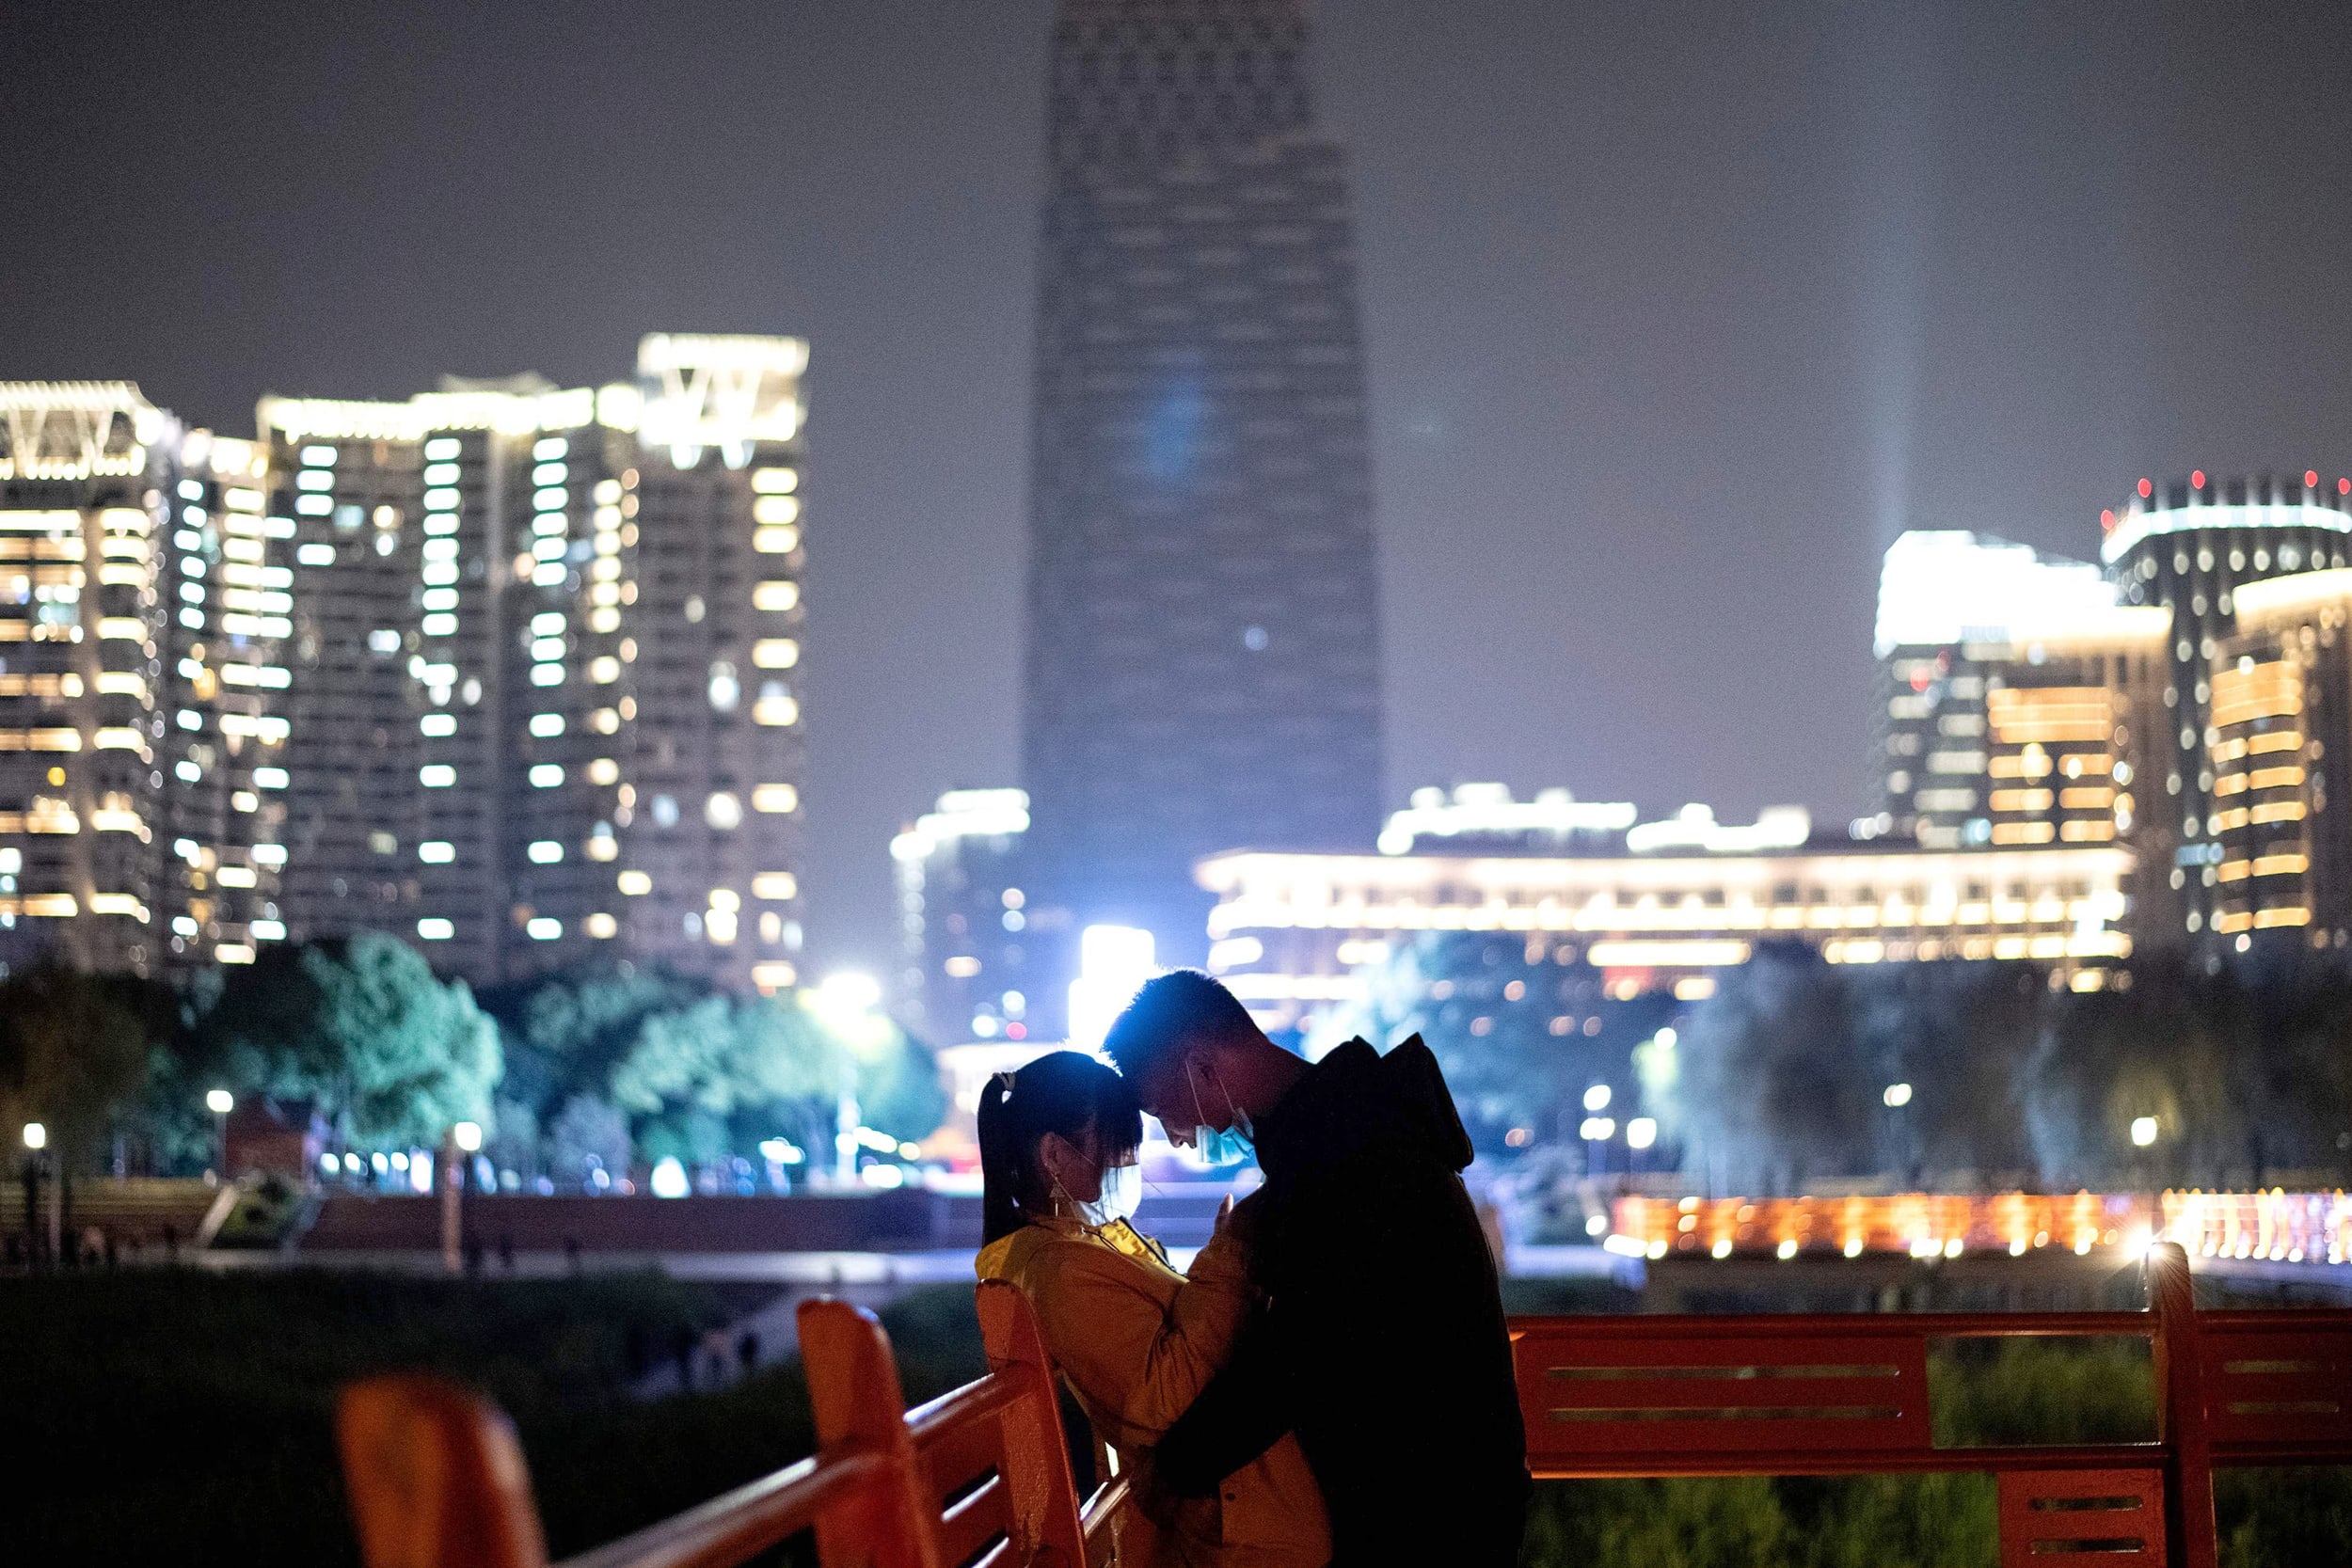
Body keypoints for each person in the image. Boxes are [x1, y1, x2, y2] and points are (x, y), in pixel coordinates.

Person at [1102, 971, 1530, 1567]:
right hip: (1447, 1491)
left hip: (1430, 1511)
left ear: (1200, 1067)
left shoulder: (1346, 1159)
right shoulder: (1349, 1129)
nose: (1175, 1137)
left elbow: (1301, 1354)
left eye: (1162, 1108)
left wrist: (1176, 1469)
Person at [976, 1051, 1329, 1568]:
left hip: (1246, 1513)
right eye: (1117, 1149)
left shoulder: (1086, 1246)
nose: (1128, 1163)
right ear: (1053, 1155)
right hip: (1239, 1529)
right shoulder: (1060, 1268)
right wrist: (1229, 1253)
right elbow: (1164, 1398)